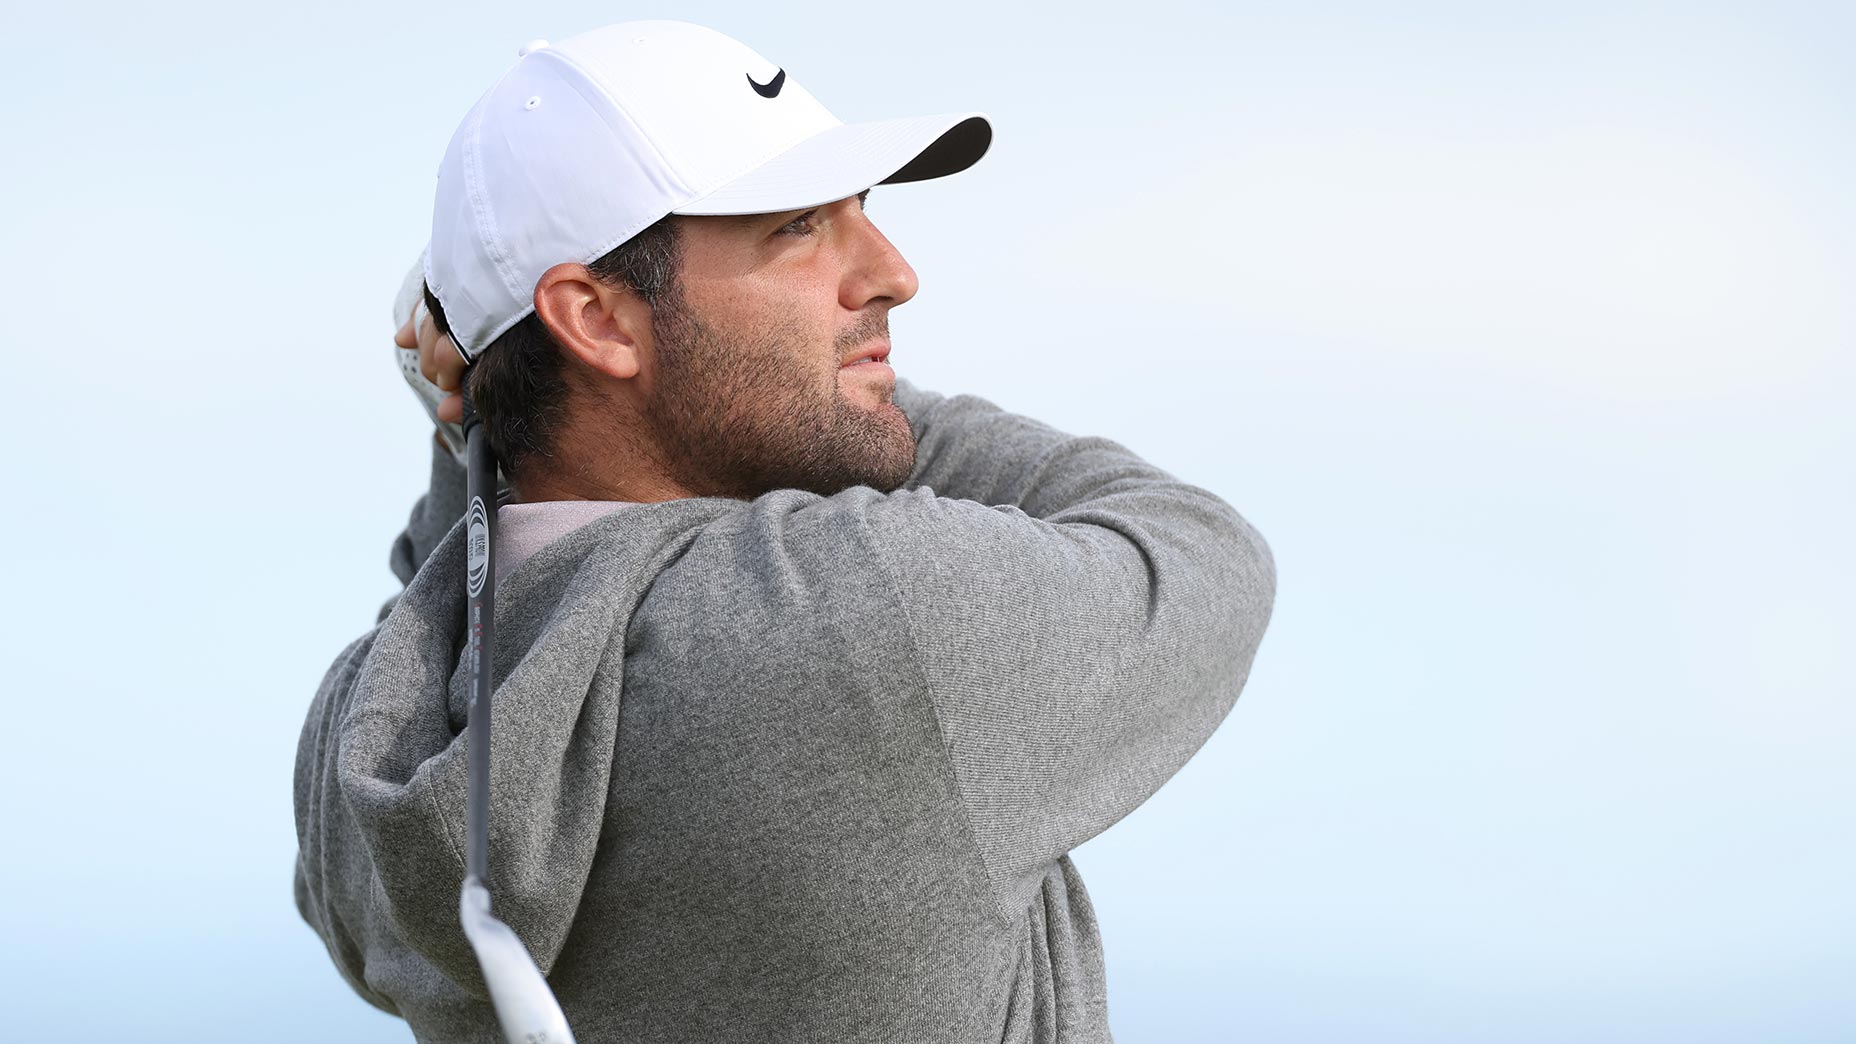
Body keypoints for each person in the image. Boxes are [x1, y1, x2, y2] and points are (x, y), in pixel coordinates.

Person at [293, 20, 1276, 1044]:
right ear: (596, 320)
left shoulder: (364, 745)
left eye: (863, 214)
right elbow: (1194, 550)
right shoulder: (860, 616)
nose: (892, 272)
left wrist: (499, 380)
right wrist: (859, 398)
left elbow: (454, 570)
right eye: (799, 227)